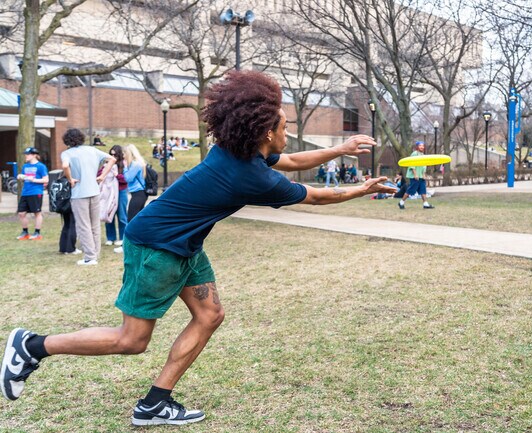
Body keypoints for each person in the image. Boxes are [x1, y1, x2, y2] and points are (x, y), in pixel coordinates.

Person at [1, 70, 396, 426]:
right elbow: (316, 196)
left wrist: (341, 150)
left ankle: (155, 403)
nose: (286, 132)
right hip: (157, 245)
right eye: (283, 125)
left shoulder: (237, 150)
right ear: (263, 131)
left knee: (209, 315)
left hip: (184, 245)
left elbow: (290, 160)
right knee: (132, 340)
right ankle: (32, 346)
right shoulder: (251, 176)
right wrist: (361, 189)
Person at [61, 128, 116, 265]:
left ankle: (90, 257)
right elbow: (112, 159)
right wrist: (102, 176)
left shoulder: (67, 153)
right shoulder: (92, 150)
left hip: (79, 194)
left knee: (83, 226)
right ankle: (95, 254)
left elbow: (65, 165)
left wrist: (70, 179)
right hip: (95, 191)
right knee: (94, 225)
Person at [16, 147, 49, 241]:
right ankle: (25, 232)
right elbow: (24, 177)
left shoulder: (41, 166)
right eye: (26, 154)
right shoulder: (25, 166)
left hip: (36, 192)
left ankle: (37, 233)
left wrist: (33, 179)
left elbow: (46, 180)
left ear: (34, 155)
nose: (26, 156)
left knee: (37, 213)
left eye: (28, 154)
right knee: (21, 213)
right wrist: (21, 177)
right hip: (25, 192)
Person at [398, 141, 433, 209]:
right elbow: (412, 164)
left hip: (421, 176)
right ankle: (401, 202)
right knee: (411, 190)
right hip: (414, 176)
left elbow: (424, 165)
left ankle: (425, 204)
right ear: (417, 146)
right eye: (420, 145)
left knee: (423, 190)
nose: (422, 147)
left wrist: (423, 174)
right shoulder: (414, 154)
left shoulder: (423, 155)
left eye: (423, 145)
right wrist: (415, 174)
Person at [105, 145, 128, 248]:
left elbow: (126, 179)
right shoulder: (107, 163)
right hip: (109, 191)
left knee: (122, 215)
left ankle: (123, 237)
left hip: (121, 191)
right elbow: (100, 174)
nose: (113, 156)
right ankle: (111, 237)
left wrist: (117, 175)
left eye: (115, 154)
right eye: (111, 154)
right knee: (109, 214)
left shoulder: (124, 164)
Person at [123, 144, 148, 223]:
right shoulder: (136, 164)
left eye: (124, 153)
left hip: (138, 193)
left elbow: (128, 178)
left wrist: (125, 167)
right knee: (137, 219)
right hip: (139, 193)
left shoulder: (135, 164)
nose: (123, 156)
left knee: (131, 219)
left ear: (129, 154)